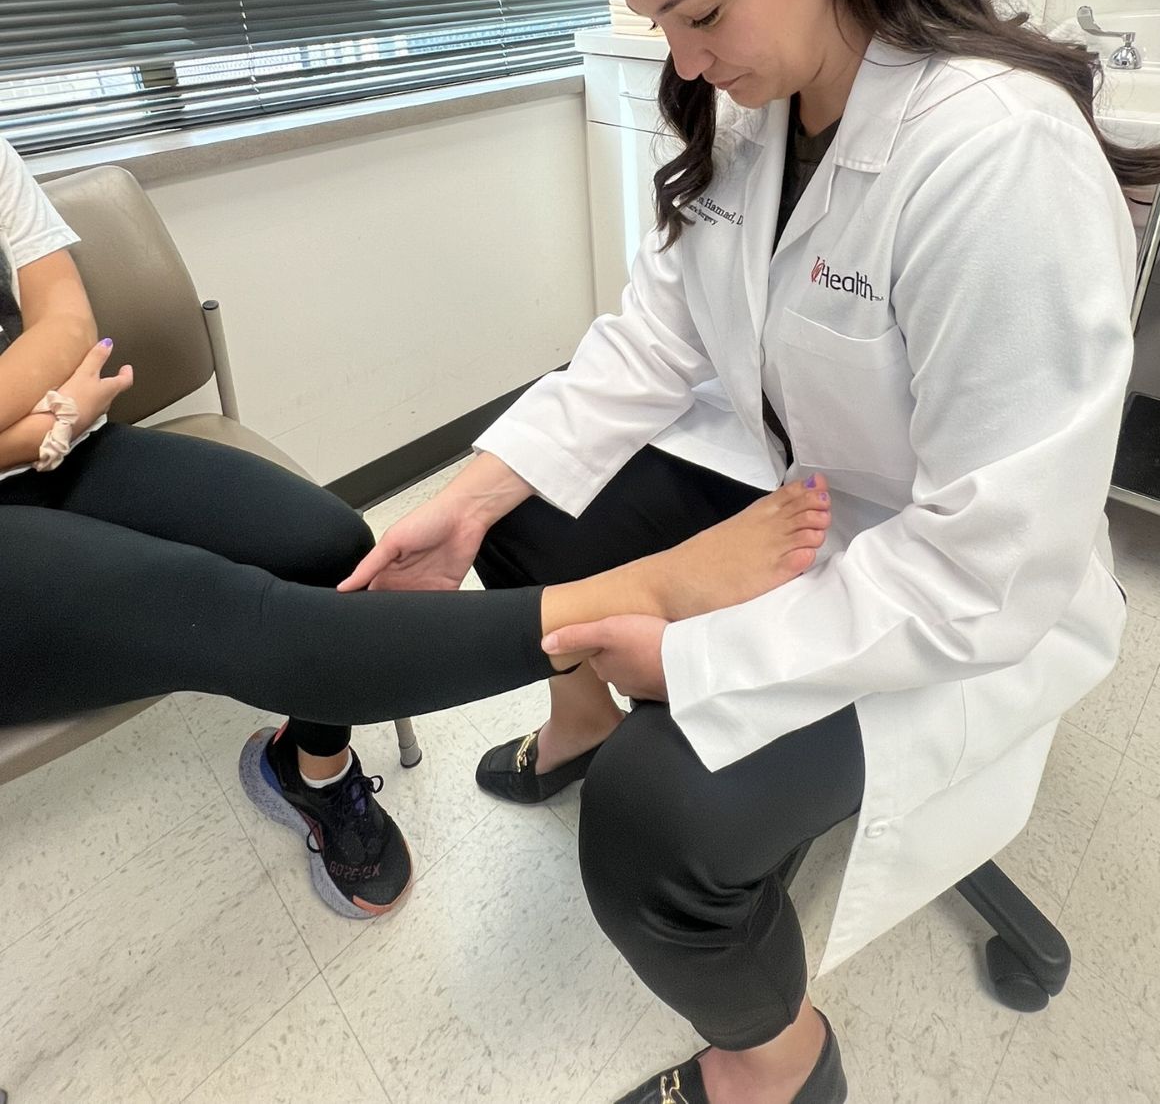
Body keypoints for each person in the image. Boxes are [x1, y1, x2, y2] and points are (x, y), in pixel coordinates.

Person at [345, 0, 1160, 1104]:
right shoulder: (766, 114)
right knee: (538, 513)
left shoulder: (994, 159)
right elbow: (652, 335)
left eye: (700, 11)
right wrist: (474, 488)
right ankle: (589, 719)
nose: (682, 58)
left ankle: (774, 1061)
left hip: (963, 594)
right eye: (658, 21)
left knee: (653, 830)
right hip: (822, 510)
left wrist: (700, 666)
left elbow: (993, 559)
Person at [0, 132, 831, 926]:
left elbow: (70, 323)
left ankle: (312, 770)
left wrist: (52, 423)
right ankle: (643, 591)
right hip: (44, 440)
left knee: (332, 545)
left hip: (68, 443)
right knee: (212, 608)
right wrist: (34, 420)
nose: (682, 61)